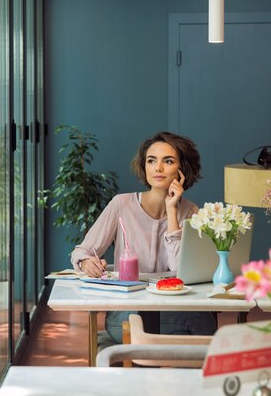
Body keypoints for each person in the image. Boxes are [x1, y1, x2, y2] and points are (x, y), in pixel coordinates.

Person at [70, 131, 217, 342]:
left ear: (181, 169)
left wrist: (172, 211)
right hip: (127, 310)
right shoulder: (121, 204)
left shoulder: (190, 211)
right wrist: (86, 263)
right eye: (151, 161)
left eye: (168, 161)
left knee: (197, 322)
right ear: (144, 166)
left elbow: (180, 269)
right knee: (198, 324)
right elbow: (81, 252)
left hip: (172, 308)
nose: (158, 168)